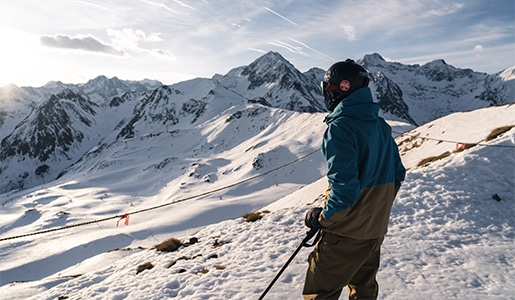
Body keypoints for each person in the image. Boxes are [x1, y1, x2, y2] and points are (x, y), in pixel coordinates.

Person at [302, 59, 406, 300]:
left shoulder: (339, 129)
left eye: (328, 88)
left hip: (346, 234)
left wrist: (322, 219)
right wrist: (374, 210)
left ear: (341, 88)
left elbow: (344, 192)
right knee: (363, 290)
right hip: (374, 231)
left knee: (319, 293)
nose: (326, 93)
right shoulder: (380, 126)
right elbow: (397, 174)